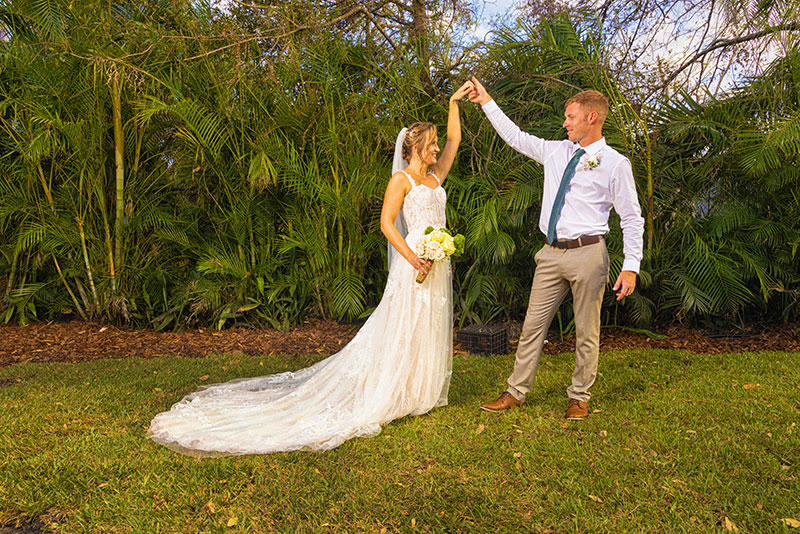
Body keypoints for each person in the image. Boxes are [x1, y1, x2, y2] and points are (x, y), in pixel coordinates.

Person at [146, 81, 474, 456]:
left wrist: (453, 103)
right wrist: (413, 256)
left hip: (437, 262)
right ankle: (391, 389)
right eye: (430, 144)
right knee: (403, 324)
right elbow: (386, 223)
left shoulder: (435, 178)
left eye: (436, 144)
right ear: (415, 147)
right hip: (413, 260)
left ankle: (419, 391)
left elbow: (455, 141)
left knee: (428, 324)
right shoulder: (400, 180)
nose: (437, 149)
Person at [468, 77, 644, 420]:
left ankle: (579, 396)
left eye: (570, 117)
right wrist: (486, 101)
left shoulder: (615, 164)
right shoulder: (555, 151)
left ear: (592, 118)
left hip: (589, 254)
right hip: (549, 255)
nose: (564, 123)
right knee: (533, 325)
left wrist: (631, 265)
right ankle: (515, 392)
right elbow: (515, 137)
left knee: (586, 331)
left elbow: (632, 218)